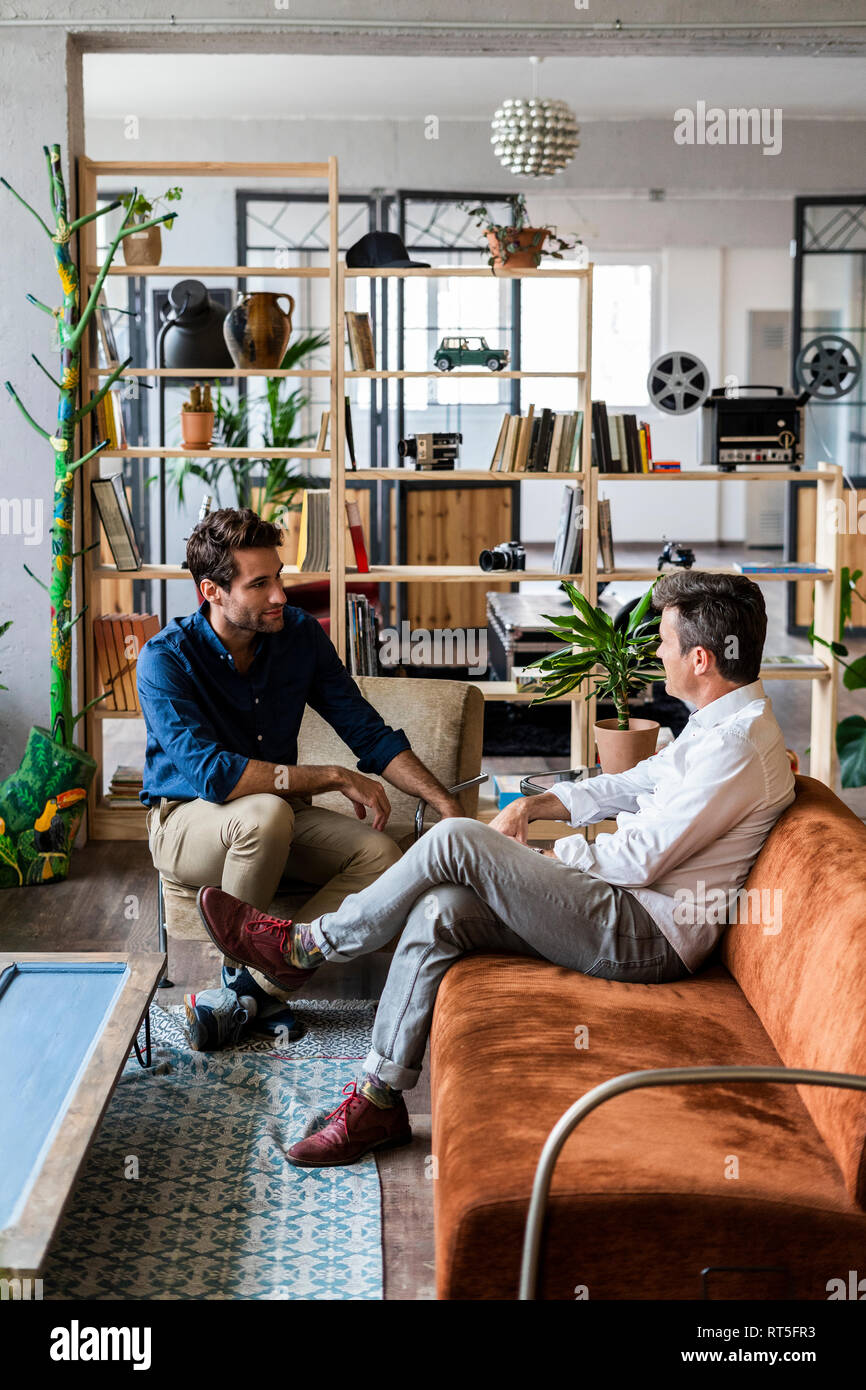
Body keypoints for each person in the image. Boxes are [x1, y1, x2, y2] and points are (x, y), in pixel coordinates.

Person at [197, 569, 797, 1165]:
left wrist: (543, 856)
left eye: (663, 642)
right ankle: (379, 1098)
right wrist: (535, 807)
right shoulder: (719, 728)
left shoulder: (735, 746)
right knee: (440, 911)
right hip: (626, 909)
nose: (655, 653)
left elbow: (639, 860)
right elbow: (634, 782)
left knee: (457, 838)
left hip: (646, 932)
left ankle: (306, 945)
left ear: (699, 659)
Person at [137, 507, 463, 1050]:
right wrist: (330, 775)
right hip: (185, 821)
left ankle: (253, 990)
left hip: (280, 817)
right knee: (266, 814)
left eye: (279, 576)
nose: (280, 596)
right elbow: (212, 776)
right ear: (212, 591)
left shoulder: (299, 637)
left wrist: (445, 804)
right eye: (259, 584)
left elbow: (367, 730)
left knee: (380, 856)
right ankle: (239, 982)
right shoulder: (166, 659)